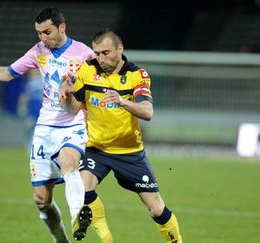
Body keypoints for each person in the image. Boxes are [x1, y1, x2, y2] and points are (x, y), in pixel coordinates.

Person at [0, 6, 103, 242]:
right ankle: (61, 239)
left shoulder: (84, 54)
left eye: (47, 32)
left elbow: (102, 85)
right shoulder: (39, 51)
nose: (43, 38)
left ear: (62, 27)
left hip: (74, 124)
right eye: (39, 33)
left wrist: (81, 94)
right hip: (44, 129)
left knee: (69, 163)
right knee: (41, 199)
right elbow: (7, 73)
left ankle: (78, 217)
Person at [60, 29, 183, 243]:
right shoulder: (87, 70)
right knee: (82, 190)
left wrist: (123, 101)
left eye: (105, 53)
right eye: (97, 53)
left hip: (130, 153)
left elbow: (148, 112)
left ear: (120, 49)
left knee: (156, 208)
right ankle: (107, 239)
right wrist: (67, 94)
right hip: (96, 149)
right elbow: (72, 109)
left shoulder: (137, 74)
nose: (100, 58)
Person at [17, 69, 43, 150]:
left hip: (42, 110)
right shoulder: (29, 82)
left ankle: (40, 147)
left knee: (41, 130)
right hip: (32, 110)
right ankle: (29, 146)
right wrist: (21, 107)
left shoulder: (45, 80)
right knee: (30, 129)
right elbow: (24, 96)